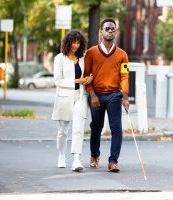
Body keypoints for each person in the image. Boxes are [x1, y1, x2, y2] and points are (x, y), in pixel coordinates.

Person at [84, 18, 129, 172]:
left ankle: (113, 161)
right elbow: (86, 75)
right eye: (107, 29)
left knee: (116, 128)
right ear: (101, 32)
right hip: (96, 94)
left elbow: (124, 76)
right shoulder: (91, 52)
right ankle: (94, 155)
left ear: (115, 32)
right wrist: (92, 95)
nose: (110, 31)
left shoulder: (122, 55)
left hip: (114, 95)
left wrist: (125, 97)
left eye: (113, 29)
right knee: (96, 127)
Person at [52, 30, 93, 172]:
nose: (75, 45)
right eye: (73, 42)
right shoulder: (59, 58)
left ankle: (76, 159)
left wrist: (89, 78)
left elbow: (90, 72)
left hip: (80, 96)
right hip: (64, 97)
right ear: (68, 42)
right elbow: (57, 80)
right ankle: (61, 155)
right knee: (63, 131)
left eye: (78, 42)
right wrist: (77, 80)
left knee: (78, 129)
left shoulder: (82, 58)